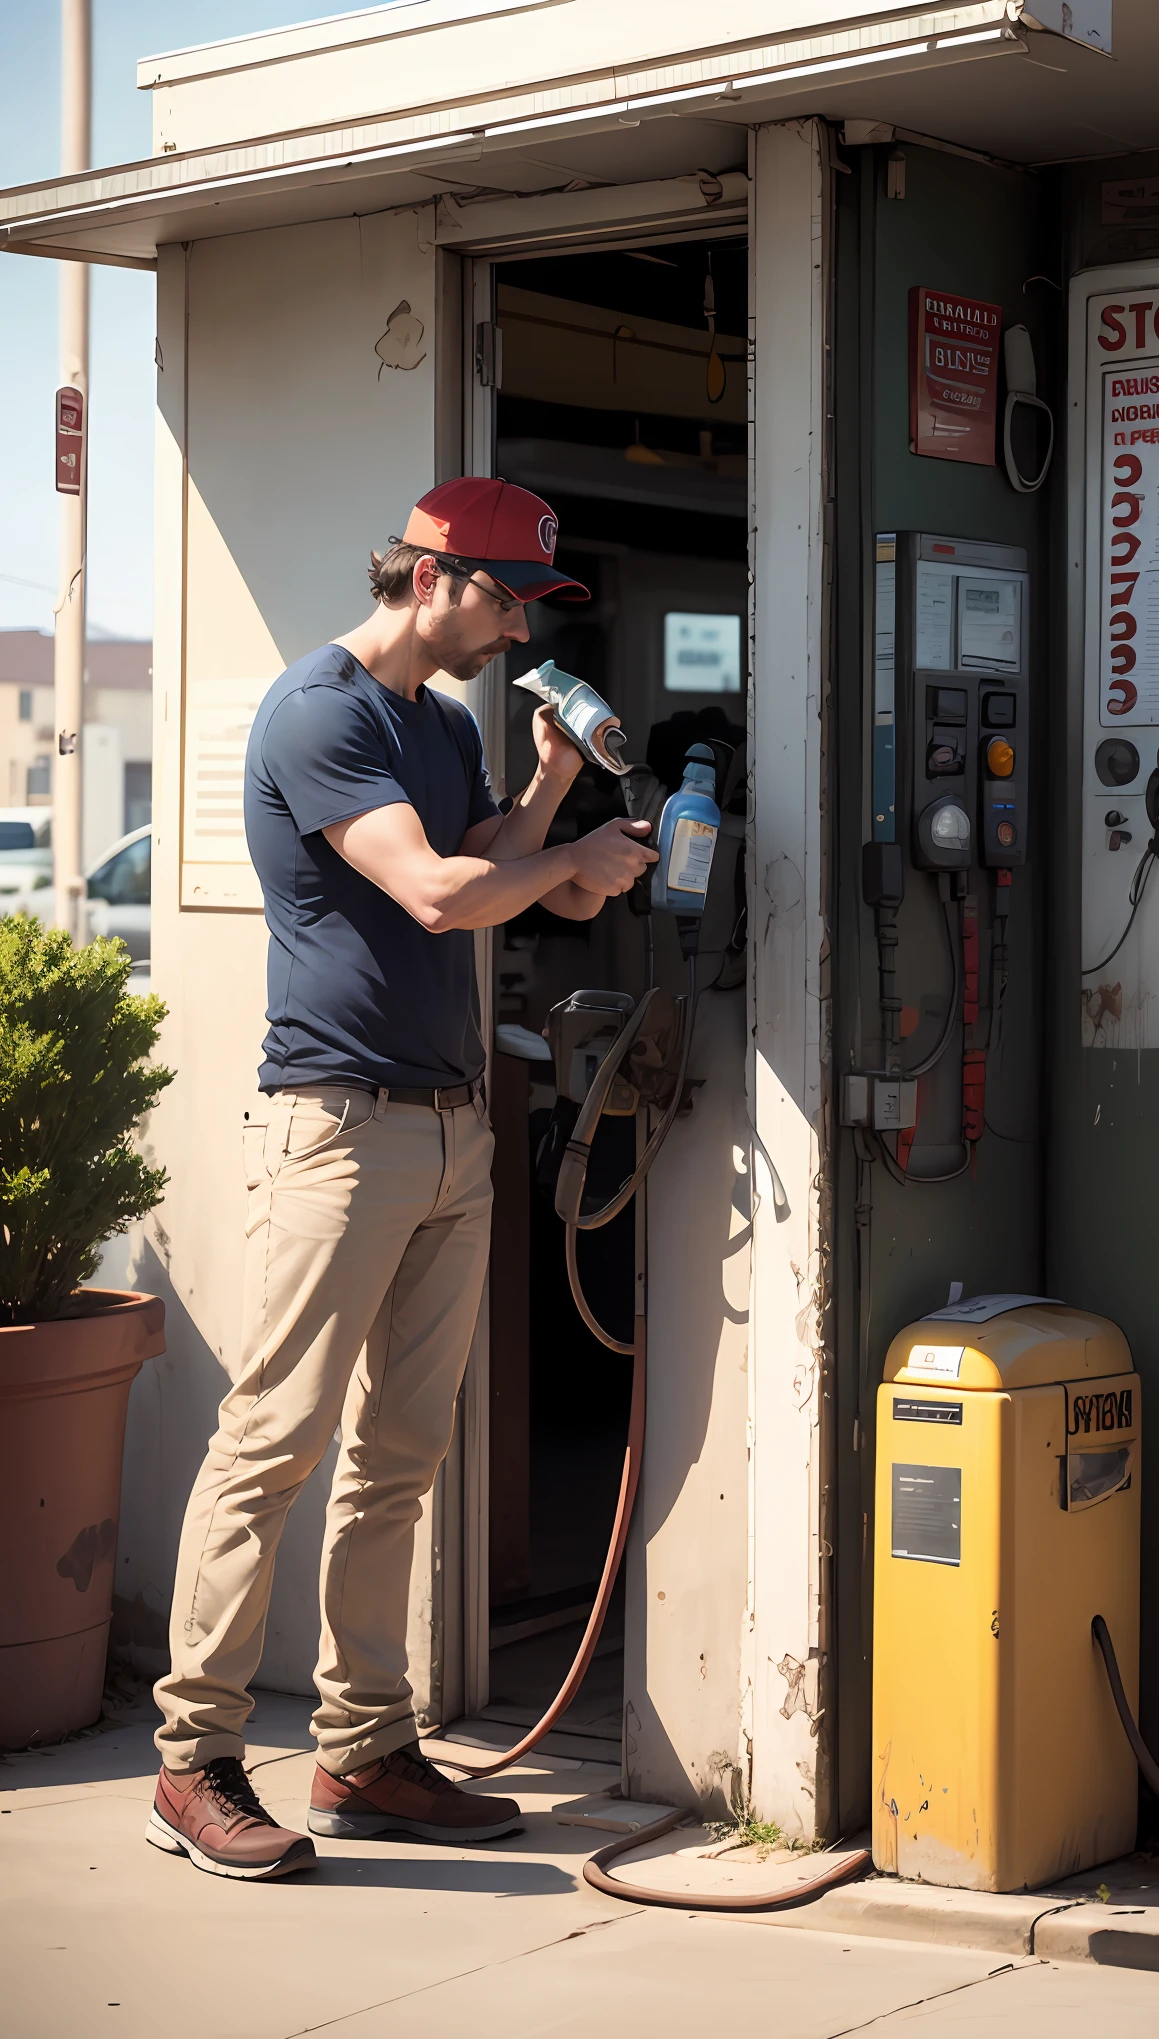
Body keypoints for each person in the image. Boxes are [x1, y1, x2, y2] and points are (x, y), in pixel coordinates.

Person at [146, 479, 655, 1880]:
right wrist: (566, 857)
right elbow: (435, 892)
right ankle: (193, 1762)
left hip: (446, 1128)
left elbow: (496, 868)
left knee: (400, 1459)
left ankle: (365, 1751)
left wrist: (552, 797)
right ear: (430, 578)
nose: (512, 631)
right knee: (273, 1444)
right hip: (339, 1126)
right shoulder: (324, 713)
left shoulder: (437, 723)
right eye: (504, 601)